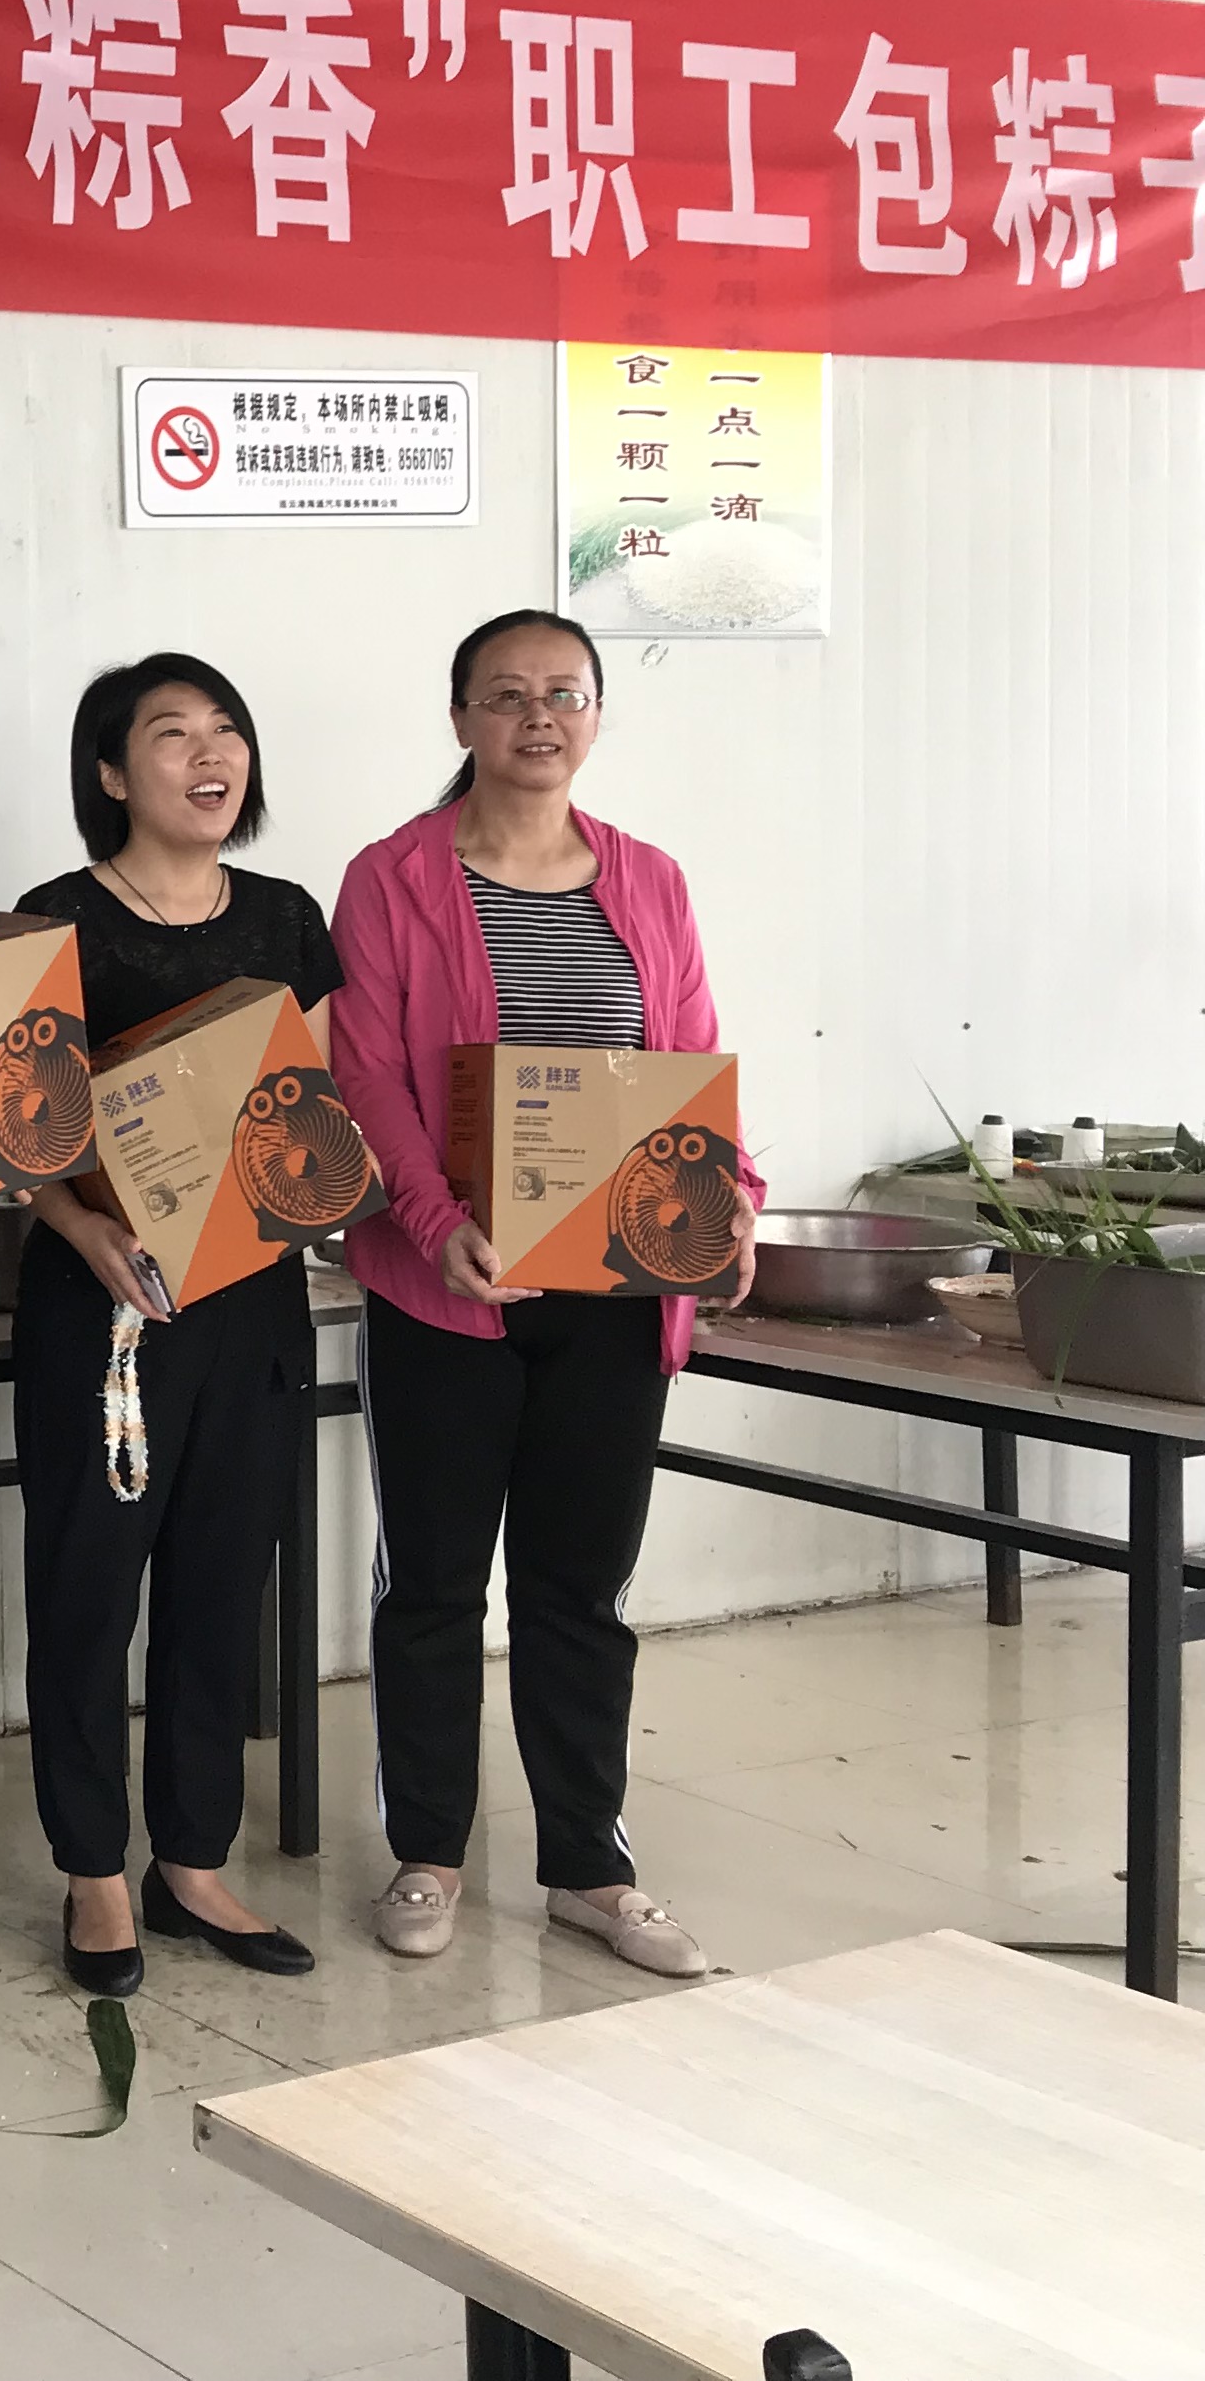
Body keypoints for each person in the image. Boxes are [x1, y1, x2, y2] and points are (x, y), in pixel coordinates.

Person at [332, 612, 758, 1980]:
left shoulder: (650, 879)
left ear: (596, 716)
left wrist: (732, 1200)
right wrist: (436, 1223)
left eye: (564, 694)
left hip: (615, 1294)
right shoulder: (392, 878)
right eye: (506, 694)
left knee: (582, 1588)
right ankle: (427, 1852)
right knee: (434, 1586)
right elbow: (367, 1076)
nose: (537, 717)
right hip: (447, 1287)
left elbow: (689, 1059)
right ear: (460, 718)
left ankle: (589, 1866)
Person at [12, 658, 333, 1996]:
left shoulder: (287, 916)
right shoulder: (53, 920)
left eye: (226, 732)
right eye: (171, 734)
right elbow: (18, 1133)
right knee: (89, 1589)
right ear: (109, 772)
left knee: (222, 1582)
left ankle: (193, 1862)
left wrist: (330, 1185)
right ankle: (93, 1869)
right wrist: (82, 1230)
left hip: (253, 1299)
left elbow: (314, 1094)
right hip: (108, 1304)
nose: (210, 756)